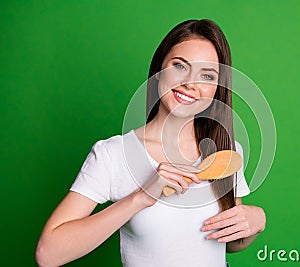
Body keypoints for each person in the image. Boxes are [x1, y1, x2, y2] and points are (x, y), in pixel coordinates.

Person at [36, 19, 266, 267]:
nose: (191, 83)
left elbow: (229, 243)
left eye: (207, 75)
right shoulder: (113, 154)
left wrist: (256, 223)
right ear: (158, 71)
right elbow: (48, 254)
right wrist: (140, 198)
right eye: (180, 66)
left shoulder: (225, 150)